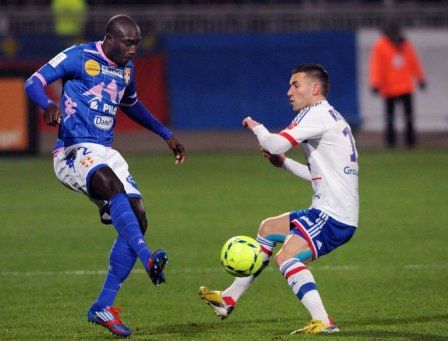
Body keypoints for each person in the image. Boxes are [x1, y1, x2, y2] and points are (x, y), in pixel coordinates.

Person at [24, 15, 186, 337]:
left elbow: (132, 105)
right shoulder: (78, 56)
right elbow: (33, 82)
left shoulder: (127, 68)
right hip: (72, 150)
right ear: (109, 38)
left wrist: (165, 134)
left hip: (105, 151)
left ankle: (102, 306)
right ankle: (147, 258)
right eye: (128, 42)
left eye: (136, 43)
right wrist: (48, 104)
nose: (133, 49)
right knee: (112, 188)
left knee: (138, 216)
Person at [199, 64, 359, 334]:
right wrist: (284, 163)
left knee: (286, 258)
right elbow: (315, 175)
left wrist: (257, 127)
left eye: (296, 85)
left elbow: (273, 144)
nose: (289, 92)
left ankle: (323, 321)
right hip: (328, 210)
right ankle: (229, 299)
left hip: (333, 216)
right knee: (268, 228)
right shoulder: (327, 116)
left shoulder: (317, 114)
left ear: (315, 88)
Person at [369, 22, 426, 148]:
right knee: (390, 118)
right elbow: (376, 66)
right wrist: (375, 83)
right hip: (389, 88)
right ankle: (390, 142)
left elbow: (413, 62)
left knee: (409, 117)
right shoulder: (380, 46)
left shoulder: (405, 45)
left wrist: (420, 79)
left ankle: (410, 142)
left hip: (405, 86)